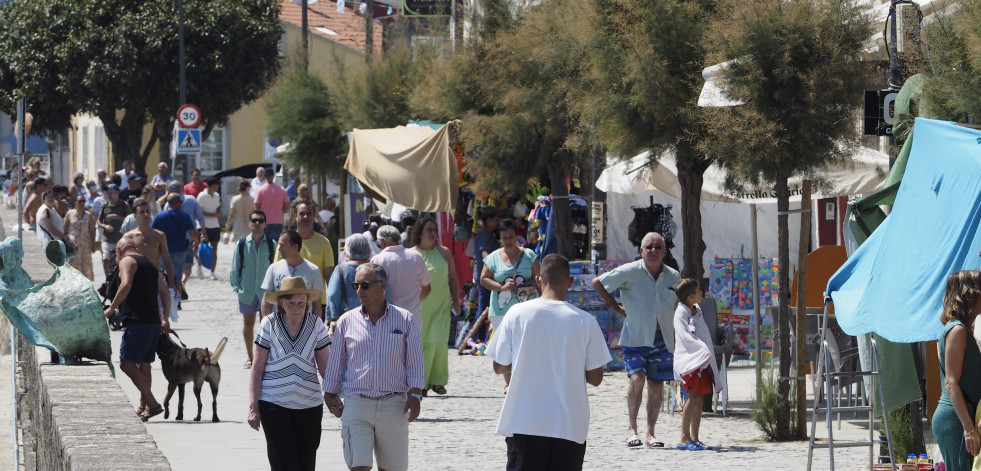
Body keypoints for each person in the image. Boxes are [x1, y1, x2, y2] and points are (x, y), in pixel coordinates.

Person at [485, 254, 611, 471]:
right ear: (570, 282)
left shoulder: (516, 313)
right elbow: (596, 378)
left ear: (538, 281)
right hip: (569, 425)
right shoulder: (585, 321)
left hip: (525, 421)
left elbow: (499, 366)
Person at [322, 263, 424, 471]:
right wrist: (329, 393)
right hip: (357, 404)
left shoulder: (405, 320)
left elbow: (415, 362)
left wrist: (415, 395)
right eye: (356, 285)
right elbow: (336, 362)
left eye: (365, 285)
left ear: (382, 286)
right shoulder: (346, 321)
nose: (359, 290)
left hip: (395, 404)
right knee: (358, 467)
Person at [592, 231, 680, 448]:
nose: (653, 250)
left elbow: (681, 303)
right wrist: (617, 308)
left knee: (657, 386)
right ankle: (632, 428)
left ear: (664, 251)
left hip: (662, 338)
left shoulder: (673, 276)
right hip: (635, 337)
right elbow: (597, 282)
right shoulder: (630, 271)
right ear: (641, 251)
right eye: (648, 247)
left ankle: (651, 433)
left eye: (658, 247)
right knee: (637, 379)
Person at [248, 276, 330, 471]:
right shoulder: (269, 324)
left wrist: (334, 395)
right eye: (291, 303)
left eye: (301, 302)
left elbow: (326, 368)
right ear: (281, 303)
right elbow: (257, 368)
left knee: (306, 464)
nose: (297, 307)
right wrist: (253, 406)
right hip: (274, 405)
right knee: (284, 463)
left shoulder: (316, 325)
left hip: (310, 405)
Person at [103, 237, 171, 422]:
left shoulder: (127, 261)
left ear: (119, 250)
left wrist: (111, 308)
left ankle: (153, 404)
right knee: (144, 364)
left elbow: (126, 284)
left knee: (126, 363)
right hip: (152, 322)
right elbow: (165, 292)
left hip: (137, 320)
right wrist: (165, 317)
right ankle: (144, 406)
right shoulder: (150, 264)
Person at [932, 270, 981, 471]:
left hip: (961, 416)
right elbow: (951, 383)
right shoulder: (957, 330)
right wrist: (968, 429)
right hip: (955, 419)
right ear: (970, 295)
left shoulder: (964, 329)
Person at [671, 278, 723, 451]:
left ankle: (694, 437)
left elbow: (702, 333)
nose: (702, 292)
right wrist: (701, 348)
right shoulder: (680, 313)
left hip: (700, 361)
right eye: (699, 290)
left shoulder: (696, 310)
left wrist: (704, 350)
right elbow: (685, 336)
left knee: (699, 398)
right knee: (691, 397)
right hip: (689, 361)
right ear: (691, 296)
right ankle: (683, 438)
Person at [410, 217, 460, 395]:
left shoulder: (444, 252)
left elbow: (453, 277)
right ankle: (421, 382)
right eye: (428, 230)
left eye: (434, 230)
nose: (432, 233)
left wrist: (456, 299)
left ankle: (438, 381)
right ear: (419, 233)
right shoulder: (412, 254)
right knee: (422, 342)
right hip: (420, 306)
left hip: (441, 305)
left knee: (439, 340)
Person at [229, 210, 275, 369]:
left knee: (266, 326)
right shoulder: (241, 244)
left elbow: (275, 267)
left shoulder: (271, 244)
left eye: (260, 220)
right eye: (254, 220)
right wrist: (237, 287)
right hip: (247, 291)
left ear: (265, 223)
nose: (257, 223)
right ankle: (250, 357)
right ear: (249, 223)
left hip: (265, 293)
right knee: (248, 325)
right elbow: (234, 267)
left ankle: (265, 358)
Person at [276, 202, 333, 318]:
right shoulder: (284, 242)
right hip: (289, 302)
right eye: (302, 214)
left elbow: (329, 274)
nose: (305, 217)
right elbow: (276, 270)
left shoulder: (324, 243)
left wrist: (332, 302)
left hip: (316, 302)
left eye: (309, 214)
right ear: (295, 215)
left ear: (314, 216)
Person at [370, 225, 431, 330]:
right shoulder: (416, 257)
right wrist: (415, 301)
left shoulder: (377, 260)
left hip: (388, 321)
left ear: (382, 241)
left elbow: (373, 292)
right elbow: (427, 288)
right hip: (413, 319)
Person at [261, 230, 324, 318]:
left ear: (295, 247)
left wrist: (314, 327)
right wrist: (267, 325)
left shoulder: (313, 270)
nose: (279, 249)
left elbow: (317, 304)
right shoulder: (273, 268)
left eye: (282, 246)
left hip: (305, 326)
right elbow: (267, 300)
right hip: (279, 326)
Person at [160, 181, 206, 288]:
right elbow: (200, 217)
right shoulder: (191, 199)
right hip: (189, 239)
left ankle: (174, 285)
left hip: (171, 240)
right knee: (188, 265)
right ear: (181, 188)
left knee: (171, 266)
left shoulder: (168, 203)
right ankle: (182, 283)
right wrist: (202, 235)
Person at [127, 198, 178, 293]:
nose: (146, 215)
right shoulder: (129, 237)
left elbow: (167, 259)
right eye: (141, 212)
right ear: (135, 215)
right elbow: (123, 261)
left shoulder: (159, 236)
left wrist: (171, 283)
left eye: (147, 211)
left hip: (155, 278)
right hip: (135, 280)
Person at [151, 193, 197, 296]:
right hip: (179, 250)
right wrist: (196, 242)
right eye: (180, 202)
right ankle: (177, 300)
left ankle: (163, 298)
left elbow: (152, 232)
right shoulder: (184, 216)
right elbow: (193, 232)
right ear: (177, 203)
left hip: (162, 251)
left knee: (162, 275)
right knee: (177, 277)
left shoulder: (160, 216)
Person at [325, 234, 371, 324]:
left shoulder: (341, 270)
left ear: (348, 249)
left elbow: (332, 296)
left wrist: (331, 319)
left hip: (347, 321)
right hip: (373, 321)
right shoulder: (375, 269)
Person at [472, 206, 500, 339]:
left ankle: (480, 336)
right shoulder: (483, 236)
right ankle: (478, 336)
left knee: (485, 305)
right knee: (483, 306)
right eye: (495, 219)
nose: (497, 222)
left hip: (488, 275)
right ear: (488, 220)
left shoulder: (489, 235)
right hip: (484, 276)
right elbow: (484, 254)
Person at [98, 183, 131, 274]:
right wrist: (105, 226)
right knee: (106, 258)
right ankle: (107, 277)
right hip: (107, 238)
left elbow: (129, 219)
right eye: (107, 192)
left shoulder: (124, 205)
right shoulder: (105, 206)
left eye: (111, 192)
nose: (109, 194)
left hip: (120, 238)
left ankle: (118, 276)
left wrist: (116, 216)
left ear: (117, 192)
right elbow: (99, 221)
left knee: (120, 260)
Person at [63, 193, 97, 280]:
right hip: (73, 246)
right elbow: (65, 229)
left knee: (85, 268)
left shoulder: (89, 215)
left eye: (83, 201)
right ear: (75, 202)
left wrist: (93, 245)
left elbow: (92, 231)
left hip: (85, 246)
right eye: (79, 201)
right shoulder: (70, 214)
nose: (82, 203)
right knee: (72, 266)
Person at [254, 167, 290, 243]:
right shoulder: (281, 190)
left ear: (265, 176)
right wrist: (280, 208)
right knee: (275, 244)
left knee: (264, 244)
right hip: (277, 221)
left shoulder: (260, 190)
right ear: (273, 176)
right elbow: (287, 206)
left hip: (264, 221)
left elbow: (257, 206)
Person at [197, 177, 222, 280]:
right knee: (203, 249)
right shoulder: (201, 196)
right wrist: (212, 215)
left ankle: (212, 272)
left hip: (215, 225)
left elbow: (217, 207)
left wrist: (219, 212)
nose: (217, 188)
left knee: (214, 249)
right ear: (210, 186)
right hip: (203, 226)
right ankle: (199, 268)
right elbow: (199, 211)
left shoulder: (217, 195)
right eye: (215, 186)